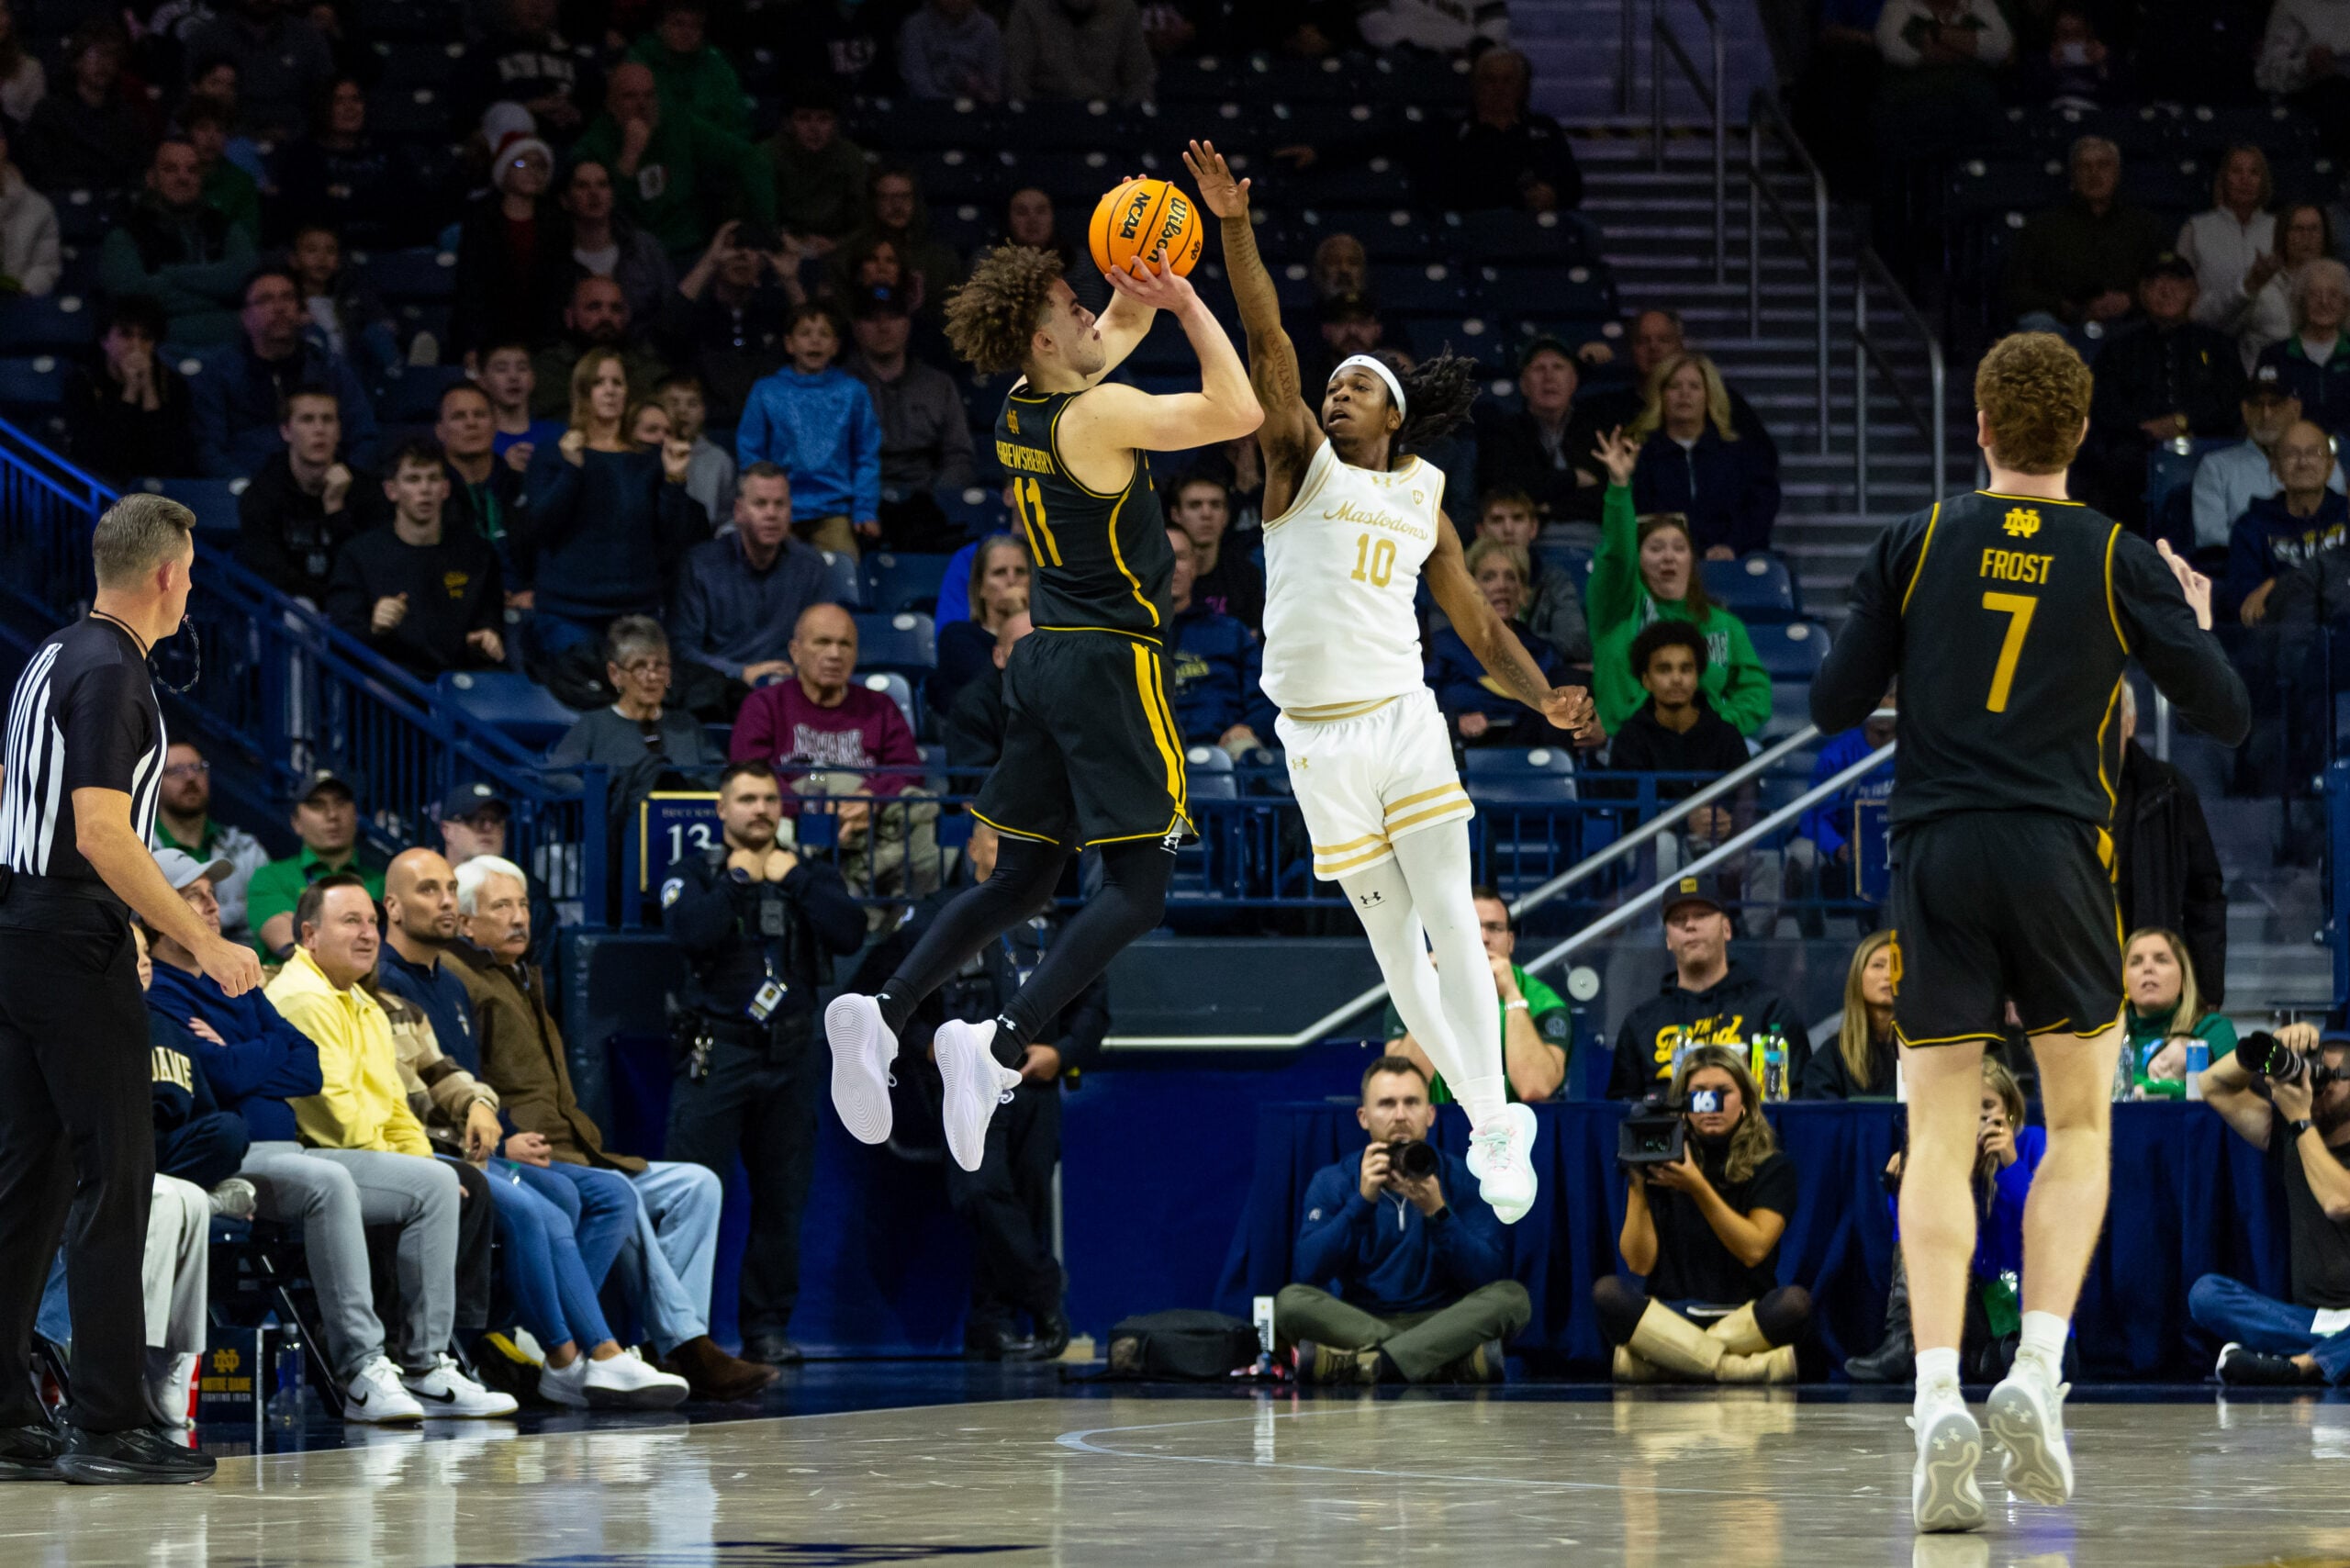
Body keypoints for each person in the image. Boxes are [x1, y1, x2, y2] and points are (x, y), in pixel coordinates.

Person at [1811, 330, 2250, 1532]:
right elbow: (2223, 710)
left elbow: (1832, 704)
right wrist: (2193, 615)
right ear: (2080, 430)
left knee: (1939, 1131)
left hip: (1939, 854)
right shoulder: (2115, 554)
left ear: (1985, 430)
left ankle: (1939, 1394)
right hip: (2061, 854)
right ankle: (2040, 1374)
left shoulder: (1917, 541)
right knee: (2081, 1124)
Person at [1186, 141, 1595, 1220]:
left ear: (1396, 415)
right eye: (1334, 385)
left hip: (1403, 721)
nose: (1335, 392)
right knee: (1391, 951)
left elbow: (1476, 623)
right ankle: (1490, 1114)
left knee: (1452, 927)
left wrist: (1541, 696)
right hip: (1315, 739)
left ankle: (1494, 1123)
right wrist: (1233, 226)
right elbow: (1269, 339)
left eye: (1357, 386)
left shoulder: (1424, 497)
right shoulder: (1295, 463)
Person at [825, 203, 1265, 1175]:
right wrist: (1191, 303)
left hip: (1048, 663)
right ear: (1040, 332)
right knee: (1140, 892)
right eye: (1074, 305)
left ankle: (883, 1008)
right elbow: (1241, 413)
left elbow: (1108, 338)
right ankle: (996, 1040)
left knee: (1022, 879)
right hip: (1113, 663)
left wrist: (1134, 279)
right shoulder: (1098, 413)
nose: (1090, 315)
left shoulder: (1025, 403)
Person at [0, 497, 254, 1483]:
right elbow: (103, 829)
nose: (190, 586)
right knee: (117, 1174)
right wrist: (190, 936)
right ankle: (109, 1422)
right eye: (188, 571)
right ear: (164, 575)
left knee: (29, 1178)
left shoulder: (48, 655)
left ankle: (10, 1412)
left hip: (22, 927)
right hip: (67, 937)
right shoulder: (115, 671)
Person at [142, 846, 464, 1428]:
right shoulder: (158, 988)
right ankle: (362, 1368)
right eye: (193, 896)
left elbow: (306, 1066)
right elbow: (216, 1079)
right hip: (235, 1158)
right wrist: (256, 1056)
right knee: (328, 1179)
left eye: (214, 894)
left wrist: (240, 1053)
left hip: (291, 1151)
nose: (212, 905)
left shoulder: (236, 974)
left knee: (436, 1182)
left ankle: (427, 1363)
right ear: (157, 910)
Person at [447, 856, 778, 1393]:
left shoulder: (523, 973)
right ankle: (678, 1345)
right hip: (526, 1156)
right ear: (464, 923)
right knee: (615, 1193)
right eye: (501, 906)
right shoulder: (463, 981)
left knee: (698, 1185)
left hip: (576, 1150)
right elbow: (462, 1076)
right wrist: (503, 1135)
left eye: (524, 904)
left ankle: (664, 1347)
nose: (519, 917)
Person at [260, 875, 519, 1417]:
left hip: (355, 1154)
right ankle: (385, 1365)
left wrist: (418, 1164)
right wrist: (408, 1171)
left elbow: (397, 1108)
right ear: (309, 934)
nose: (368, 934)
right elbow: (337, 1117)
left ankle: (427, 1364)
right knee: (433, 1185)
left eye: (372, 923)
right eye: (350, 922)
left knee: (443, 1180)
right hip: (306, 1152)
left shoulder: (362, 1002)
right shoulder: (303, 998)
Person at [661, 762, 864, 1365]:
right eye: (746, 799)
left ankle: (767, 1328)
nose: (760, 809)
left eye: (770, 798)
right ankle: (681, 1331)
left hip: (791, 1056)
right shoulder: (693, 873)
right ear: (721, 811)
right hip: (718, 1051)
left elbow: (850, 932)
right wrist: (736, 885)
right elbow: (690, 933)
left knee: (782, 1201)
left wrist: (795, 877)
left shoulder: (809, 873)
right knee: (693, 1195)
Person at [1276, 1058, 1531, 1384]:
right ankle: (1443, 1363)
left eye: (1411, 1103)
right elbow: (1309, 1271)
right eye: (1386, 1104)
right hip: (1359, 1320)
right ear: (1363, 1117)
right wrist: (1361, 1203)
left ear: (1430, 1114)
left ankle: (1368, 1364)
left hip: (1443, 1321)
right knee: (1290, 1303)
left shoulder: (1462, 1177)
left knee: (1512, 1298)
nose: (1400, 1115)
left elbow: (1486, 1277)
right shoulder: (1334, 1180)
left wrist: (1439, 1212)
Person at [1597, 1045, 1808, 1383]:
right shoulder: (1660, 1159)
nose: (1711, 1105)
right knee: (1608, 1293)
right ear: (1682, 1106)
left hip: (1741, 1316)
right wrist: (1637, 1184)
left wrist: (1697, 1186)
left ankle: (1664, 1362)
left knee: (1794, 1304)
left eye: (1723, 1093)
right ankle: (1738, 1368)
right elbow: (1638, 1264)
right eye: (1698, 1096)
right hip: (1670, 1314)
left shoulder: (1773, 1167)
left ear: (1745, 1102)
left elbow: (1753, 1250)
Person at [1846, 1058, 2047, 1383]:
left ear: (2009, 1109)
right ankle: (1902, 1339)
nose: (1977, 1117)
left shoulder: (2033, 1142)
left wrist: (2009, 1165)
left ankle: (1937, 1351)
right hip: (1972, 1301)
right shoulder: (1952, 1157)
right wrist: (1905, 1186)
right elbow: (1912, 1235)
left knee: (1992, 1363)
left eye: (1987, 1106)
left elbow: (2041, 1230)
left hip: (2022, 1304)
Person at [518, 348, 706, 665]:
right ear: (582, 391)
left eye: (617, 383)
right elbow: (541, 527)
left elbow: (670, 537)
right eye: (599, 382)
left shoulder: (647, 459)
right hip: (569, 612)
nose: (609, 390)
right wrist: (572, 470)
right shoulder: (552, 454)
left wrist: (675, 480)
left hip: (637, 612)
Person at [2190, 1022, 2350, 1384]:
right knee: (2206, 1295)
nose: (2316, 1086)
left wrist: (2299, 1119)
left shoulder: (2299, 1128)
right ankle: (2333, 1354)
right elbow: (2212, 1084)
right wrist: (2267, 1046)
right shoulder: (2292, 1136)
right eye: (2313, 1074)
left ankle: (2301, 1365)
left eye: (2330, 1076)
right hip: (2307, 1319)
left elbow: (2338, 1202)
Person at [1587, 429, 1772, 736]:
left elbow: (1756, 693)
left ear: (1692, 559)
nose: (1668, 558)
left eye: (1678, 548)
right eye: (1655, 549)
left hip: (1705, 752)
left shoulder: (1724, 625)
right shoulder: (1617, 611)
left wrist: (1716, 727)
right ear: (1639, 561)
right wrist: (1619, 487)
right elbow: (1617, 555)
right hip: (1630, 751)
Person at [2080, 253, 2247, 526]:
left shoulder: (2217, 345)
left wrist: (2184, 421)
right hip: (2136, 452)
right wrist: (2146, 428)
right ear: (2142, 293)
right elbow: (2104, 405)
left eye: (2176, 282)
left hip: (2206, 448)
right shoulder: (2119, 347)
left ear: (2193, 290)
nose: (2166, 290)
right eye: (2156, 282)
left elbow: (2232, 402)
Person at [1606, 874, 1803, 1099]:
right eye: (1678, 919)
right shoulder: (1640, 1024)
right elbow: (1622, 1112)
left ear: (1727, 929)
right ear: (1668, 939)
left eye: (1702, 915)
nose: (1690, 925)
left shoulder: (1770, 1011)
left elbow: (1795, 1104)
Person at [326, 441, 506, 678]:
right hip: (392, 689)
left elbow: (488, 621)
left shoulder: (477, 553)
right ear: (391, 491)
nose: (425, 489)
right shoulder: (358, 555)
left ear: (445, 489)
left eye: (433, 479)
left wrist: (486, 638)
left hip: (460, 684)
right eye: (413, 479)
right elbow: (341, 640)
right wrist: (373, 627)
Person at [1382, 888, 1571, 1105]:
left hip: (1513, 1129)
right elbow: (1402, 1085)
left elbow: (1534, 1087)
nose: (1482, 938)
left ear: (1510, 941)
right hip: (1435, 1126)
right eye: (1470, 925)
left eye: (1494, 928)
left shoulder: (1544, 1002)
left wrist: (1511, 994)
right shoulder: (1412, 995)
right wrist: (1432, 990)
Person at [572, 62, 777, 260]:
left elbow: (749, 157)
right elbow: (600, 209)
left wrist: (765, 228)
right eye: (630, 97)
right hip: (628, 253)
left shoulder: (679, 124)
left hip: (686, 249)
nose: (642, 105)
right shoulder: (593, 145)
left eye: (649, 95)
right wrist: (629, 157)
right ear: (610, 104)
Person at [192, 265, 376, 477]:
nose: (279, 307)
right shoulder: (218, 373)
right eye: (265, 300)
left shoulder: (329, 368)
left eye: (288, 298)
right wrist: (249, 491)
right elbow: (209, 450)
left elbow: (365, 437)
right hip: (246, 493)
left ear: (301, 310)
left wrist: (345, 477)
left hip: (324, 489)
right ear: (245, 317)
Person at [1603, 620, 1753, 870]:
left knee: (1765, 862)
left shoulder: (1726, 735)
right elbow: (1628, 815)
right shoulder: (1630, 739)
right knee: (1663, 846)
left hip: (1720, 843)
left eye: (1686, 669)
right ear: (1646, 680)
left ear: (1696, 676)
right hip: (1655, 845)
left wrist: (1729, 821)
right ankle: (1666, 911)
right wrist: (1684, 821)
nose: (1676, 679)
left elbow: (1748, 800)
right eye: (1664, 670)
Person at [729, 604, 920, 801]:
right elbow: (750, 773)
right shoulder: (764, 705)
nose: (835, 654)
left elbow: (908, 773)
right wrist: (808, 812)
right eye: (822, 642)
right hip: (788, 819)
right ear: (795, 652)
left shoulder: (881, 708)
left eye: (845, 644)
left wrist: (869, 800)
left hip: (867, 818)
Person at [2111, 685, 2228, 1003]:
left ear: (2130, 722)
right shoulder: (2056, 799)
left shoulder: (2170, 792)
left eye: (2110, 717)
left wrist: (2207, 999)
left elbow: (2204, 901)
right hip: (2076, 991)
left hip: (2153, 995)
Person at [736, 304, 882, 556]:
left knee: (841, 581)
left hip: (834, 510)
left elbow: (866, 455)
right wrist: (762, 503)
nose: (815, 341)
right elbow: (751, 452)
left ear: (835, 346)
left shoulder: (852, 392)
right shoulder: (767, 391)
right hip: (780, 508)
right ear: (789, 343)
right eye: (805, 333)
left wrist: (864, 509)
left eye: (824, 334)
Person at [671, 465, 834, 687]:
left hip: (789, 686)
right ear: (738, 511)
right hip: (722, 688)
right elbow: (683, 649)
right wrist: (742, 672)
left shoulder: (810, 566)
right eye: (760, 504)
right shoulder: (701, 565)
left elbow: (823, 641)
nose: (771, 514)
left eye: (780, 504)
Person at [845, 285, 978, 550]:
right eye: (872, 318)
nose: (883, 327)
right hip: (860, 506)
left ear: (907, 324)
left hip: (928, 504)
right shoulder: (838, 387)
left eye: (893, 317)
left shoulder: (938, 384)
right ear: (856, 327)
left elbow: (959, 455)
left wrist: (937, 497)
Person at [97, 140, 255, 351]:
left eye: (192, 170)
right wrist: (219, 302)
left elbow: (246, 279)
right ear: (151, 178)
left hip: (234, 349)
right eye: (170, 169)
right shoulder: (125, 235)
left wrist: (170, 275)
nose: (183, 177)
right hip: (160, 350)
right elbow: (132, 300)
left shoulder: (227, 228)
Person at [232, 386, 382, 605]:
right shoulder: (262, 494)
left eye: (328, 419)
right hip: (289, 608)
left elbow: (367, 567)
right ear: (286, 431)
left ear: (339, 431)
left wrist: (335, 509)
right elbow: (268, 570)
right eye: (307, 419)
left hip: (352, 606)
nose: (319, 429)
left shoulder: (366, 491)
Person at [2002, 136, 2165, 334]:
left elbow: (2165, 278)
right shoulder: (2042, 227)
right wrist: (2067, 308)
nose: (2094, 174)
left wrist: (2131, 299)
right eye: (2084, 167)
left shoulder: (2145, 225)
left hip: (2130, 319)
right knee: (2038, 325)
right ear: (2072, 175)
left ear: (2117, 172)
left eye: (2103, 165)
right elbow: (2019, 288)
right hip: (2061, 322)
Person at [1425, 539, 1579, 747]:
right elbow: (1421, 709)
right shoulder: (1442, 648)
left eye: (1511, 577)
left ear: (1523, 591)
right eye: (1489, 577)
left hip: (1533, 762)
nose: (1502, 586)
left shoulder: (1544, 654)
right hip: (1460, 758)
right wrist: (1455, 722)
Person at [1628, 353, 1782, 558]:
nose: (1685, 394)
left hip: (1734, 554)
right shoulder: (1641, 454)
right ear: (1661, 395)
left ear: (1709, 396)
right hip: (1662, 557)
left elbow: (1760, 508)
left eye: (1694, 387)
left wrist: (1731, 546)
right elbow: (1634, 515)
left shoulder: (1738, 452)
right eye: (1674, 386)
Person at [2192, 365, 2344, 553]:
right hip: (2245, 570)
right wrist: (2273, 547)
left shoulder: (2322, 462)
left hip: (2319, 571)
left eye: (2276, 404)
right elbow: (2210, 535)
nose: (2266, 414)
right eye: (2257, 405)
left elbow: (2339, 526)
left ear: (2295, 409)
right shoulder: (2216, 466)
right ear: (2245, 411)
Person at [273, 75, 431, 252]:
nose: (350, 109)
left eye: (356, 100)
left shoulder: (388, 150)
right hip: (330, 251)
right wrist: (369, 198)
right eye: (339, 101)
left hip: (390, 245)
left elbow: (410, 203)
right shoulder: (303, 155)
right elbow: (306, 208)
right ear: (323, 108)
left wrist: (345, 194)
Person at [1416, 48, 1582, 216]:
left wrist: (1552, 195)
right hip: (1471, 225)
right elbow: (1436, 188)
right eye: (1490, 80)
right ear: (1476, 84)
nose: (1499, 88)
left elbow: (1573, 185)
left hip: (1533, 225)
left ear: (1522, 87)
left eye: (1508, 81)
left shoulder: (1545, 129)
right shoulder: (1450, 131)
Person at [547, 616, 722, 775]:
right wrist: (602, 795)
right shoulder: (593, 725)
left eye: (659, 666)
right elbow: (557, 776)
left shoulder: (686, 725)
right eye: (640, 667)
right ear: (615, 674)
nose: (652, 676)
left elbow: (719, 777)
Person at [451, 127, 565, 366]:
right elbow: (471, 286)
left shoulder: (555, 220)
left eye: (540, 166)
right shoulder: (481, 218)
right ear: (504, 168)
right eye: (522, 164)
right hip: (490, 334)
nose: (532, 172)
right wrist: (473, 343)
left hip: (541, 337)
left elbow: (558, 284)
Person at [244, 768, 386, 958]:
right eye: (317, 805)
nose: (332, 814)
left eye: (341, 803)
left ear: (356, 816)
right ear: (296, 822)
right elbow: (292, 948)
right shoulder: (270, 878)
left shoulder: (382, 883)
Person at [1475, 337, 1606, 532]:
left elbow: (1605, 497)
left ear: (1573, 382)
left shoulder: (1597, 431)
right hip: (1519, 544)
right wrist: (1572, 478)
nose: (1549, 377)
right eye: (1539, 369)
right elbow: (1503, 492)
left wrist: (1549, 507)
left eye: (1558, 367)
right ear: (1524, 385)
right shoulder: (1502, 432)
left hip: (1592, 539)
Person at [2223, 417, 2346, 622]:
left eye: (2314, 452)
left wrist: (2275, 585)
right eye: (2291, 454)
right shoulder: (2251, 526)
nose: (2303, 462)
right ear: (2275, 467)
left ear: (2330, 465)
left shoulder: (2346, 515)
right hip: (2279, 636)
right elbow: (2245, 602)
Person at [65, 296, 199, 483]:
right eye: (126, 335)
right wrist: (131, 391)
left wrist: (149, 390)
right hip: (105, 484)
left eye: (145, 338)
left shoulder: (171, 383)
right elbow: (101, 454)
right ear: (104, 340)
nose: (136, 346)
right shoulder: (83, 383)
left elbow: (172, 456)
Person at [1160, 526, 1269, 754]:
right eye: (1161, 556)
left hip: (1222, 752)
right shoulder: (1128, 638)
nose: (1172, 567)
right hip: (1149, 754)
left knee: (1245, 746)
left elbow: (1265, 698)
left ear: (1195, 566)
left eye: (1180, 557)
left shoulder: (1231, 632)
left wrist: (1248, 727)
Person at [150, 739, 268, 946]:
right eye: (176, 771)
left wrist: (184, 914)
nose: (190, 777)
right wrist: (236, 911)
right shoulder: (141, 849)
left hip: (242, 967)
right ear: (154, 784)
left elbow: (263, 910)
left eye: (198, 768)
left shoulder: (245, 846)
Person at [19, 21, 149, 192]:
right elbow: (40, 171)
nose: (104, 63)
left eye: (110, 55)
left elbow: (136, 169)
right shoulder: (50, 113)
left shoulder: (127, 116)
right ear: (76, 61)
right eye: (95, 54)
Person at [528, 275, 673, 421]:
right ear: (569, 317)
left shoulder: (649, 372)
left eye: (616, 309)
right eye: (594, 307)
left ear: (626, 316)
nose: (606, 316)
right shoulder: (545, 370)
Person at [2117, 926, 2237, 1100]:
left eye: (2161, 960)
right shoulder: (2107, 1039)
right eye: (2136, 962)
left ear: (2183, 976)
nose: (2147, 968)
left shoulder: (2213, 1030)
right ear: (2123, 979)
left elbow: (2230, 1099)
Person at [1470, 487, 1589, 661]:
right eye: (1497, 520)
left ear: (1533, 528)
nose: (1508, 529)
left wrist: (1514, 643)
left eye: (1518, 518)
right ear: (1480, 531)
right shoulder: (1460, 578)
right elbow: (1443, 640)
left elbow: (1576, 643)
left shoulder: (1555, 580)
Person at [2214, 203, 2334, 373]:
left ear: (2325, 236)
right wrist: (2251, 287)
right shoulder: (2260, 283)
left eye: (2314, 229)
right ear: (2283, 235)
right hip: (2267, 390)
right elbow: (2221, 326)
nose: (2307, 237)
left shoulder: (2342, 285)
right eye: (2298, 229)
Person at [185, 0, 330, 140]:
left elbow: (326, 100)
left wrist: (297, 134)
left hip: (298, 144)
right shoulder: (207, 39)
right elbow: (186, 100)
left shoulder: (309, 40)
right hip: (224, 144)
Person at [561, 157, 677, 331]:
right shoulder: (555, 256)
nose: (594, 193)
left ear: (612, 196)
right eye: (582, 186)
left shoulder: (644, 248)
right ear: (565, 200)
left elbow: (671, 309)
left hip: (643, 351)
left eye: (602, 184)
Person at [930, 532, 1030, 719]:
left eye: (1021, 572)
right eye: (999, 572)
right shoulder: (958, 638)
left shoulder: (1047, 637)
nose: (1011, 580)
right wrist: (1018, 613)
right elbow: (1008, 689)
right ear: (980, 587)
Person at [2179, 144, 2277, 334]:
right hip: (2209, 337)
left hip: (2268, 339)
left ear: (2263, 181)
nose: (2245, 179)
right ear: (2223, 178)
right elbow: (2182, 291)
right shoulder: (2196, 228)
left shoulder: (2279, 227)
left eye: (2254, 172)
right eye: (2236, 171)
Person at [465, 0, 596, 136]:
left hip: (570, 146)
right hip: (511, 147)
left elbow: (597, 112)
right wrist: (526, 109)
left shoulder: (579, 62)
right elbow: (471, 116)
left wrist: (577, 114)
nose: (537, 5)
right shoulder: (482, 57)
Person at [436, 380, 527, 572]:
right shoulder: (430, 494)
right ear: (440, 431)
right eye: (459, 416)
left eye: (480, 415)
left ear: (495, 425)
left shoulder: (522, 486)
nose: (471, 423)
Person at [623, 0, 746, 138]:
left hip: (711, 150)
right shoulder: (638, 64)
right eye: (678, 24)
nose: (687, 33)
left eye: (695, 26)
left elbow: (735, 122)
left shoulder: (717, 68)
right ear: (660, 27)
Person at [1801, 931, 1900, 1100]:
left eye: (1898, 966)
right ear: (1858, 975)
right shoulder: (1830, 1058)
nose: (1888, 975)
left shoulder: (1930, 1054)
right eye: (1878, 965)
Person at [766, 85, 868, 247]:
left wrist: (836, 244)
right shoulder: (767, 156)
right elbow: (754, 217)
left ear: (835, 125)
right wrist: (784, 240)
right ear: (787, 124)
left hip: (837, 246)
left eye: (824, 119)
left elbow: (864, 221)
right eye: (804, 118)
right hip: (779, 243)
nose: (814, 128)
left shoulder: (851, 157)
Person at [2255, 259, 2350, 433]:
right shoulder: (2273, 357)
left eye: (2333, 295)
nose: (2324, 302)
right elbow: (2263, 416)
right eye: (2314, 294)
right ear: (2300, 301)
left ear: (2346, 304)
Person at [1002, 0, 1155, 104]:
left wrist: (1129, 122)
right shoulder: (1029, 9)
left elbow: (1139, 79)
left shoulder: (1123, 9)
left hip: (1108, 121)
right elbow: (1016, 80)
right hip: (1045, 121)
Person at [1166, 474, 1263, 630]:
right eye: (1195, 505)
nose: (1206, 514)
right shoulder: (1160, 575)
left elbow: (1252, 638)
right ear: (1176, 515)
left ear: (1226, 516)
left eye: (1216, 505)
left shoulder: (1246, 575)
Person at [655, 373, 736, 524]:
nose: (682, 411)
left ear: (703, 412)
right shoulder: (650, 455)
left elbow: (727, 517)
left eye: (692, 404)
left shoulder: (720, 460)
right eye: (674, 403)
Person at [899, 0, 1006, 102]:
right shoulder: (915, 27)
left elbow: (993, 81)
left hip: (977, 109)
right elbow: (917, 81)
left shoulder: (989, 29)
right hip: (927, 109)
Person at [480, 341, 564, 462]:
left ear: (533, 378)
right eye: (501, 369)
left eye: (522, 368)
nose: (513, 376)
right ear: (483, 381)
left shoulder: (558, 435)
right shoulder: (478, 440)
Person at [0, 119, 56, 297]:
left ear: (2, 146)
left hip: (18, 308)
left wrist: (20, 291)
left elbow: (46, 267)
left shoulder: (38, 208)